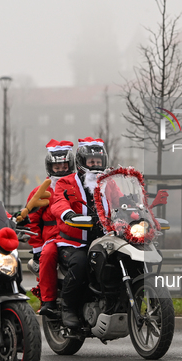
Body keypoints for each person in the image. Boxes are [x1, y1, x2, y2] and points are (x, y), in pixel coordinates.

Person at [51, 137, 108, 328]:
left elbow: (123, 200)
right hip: (74, 242)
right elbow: (58, 201)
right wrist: (68, 214)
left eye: (98, 162)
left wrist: (136, 212)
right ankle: (68, 307)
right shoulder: (66, 182)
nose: (95, 165)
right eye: (91, 162)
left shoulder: (109, 184)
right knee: (81, 263)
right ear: (82, 162)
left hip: (104, 240)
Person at [25, 139, 75, 318]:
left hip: (77, 237)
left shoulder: (78, 188)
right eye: (57, 166)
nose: (61, 169)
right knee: (47, 254)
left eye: (64, 165)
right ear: (50, 167)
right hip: (53, 239)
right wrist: (37, 248)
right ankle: (48, 301)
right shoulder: (41, 192)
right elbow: (31, 220)